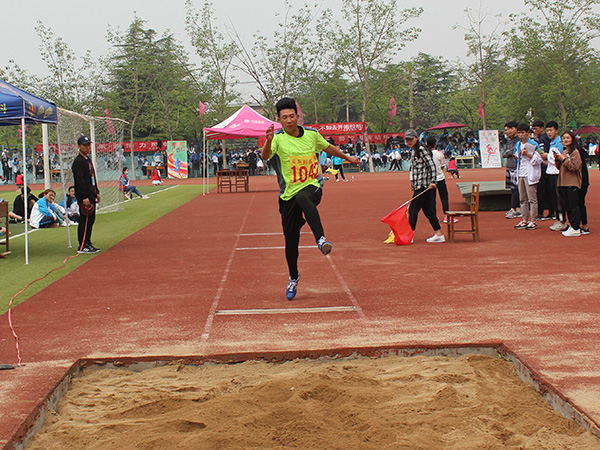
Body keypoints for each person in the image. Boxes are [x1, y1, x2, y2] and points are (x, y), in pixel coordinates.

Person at [262, 97, 359, 300]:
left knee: (303, 196)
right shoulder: (277, 139)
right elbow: (265, 156)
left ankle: (321, 239)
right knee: (291, 241)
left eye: (292, 116)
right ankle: (293, 277)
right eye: (284, 117)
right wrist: (269, 141)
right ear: (279, 120)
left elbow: (328, 148)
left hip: (312, 186)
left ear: (297, 116)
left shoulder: (312, 135)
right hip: (287, 195)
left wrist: (348, 158)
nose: (289, 120)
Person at [405, 129, 445, 243]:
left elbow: (431, 166)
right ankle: (438, 234)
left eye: (411, 139)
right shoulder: (414, 151)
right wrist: (413, 183)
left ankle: (410, 235)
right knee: (429, 210)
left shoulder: (421, 149)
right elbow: (415, 169)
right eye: (407, 140)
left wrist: (433, 181)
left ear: (416, 138)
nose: (409, 141)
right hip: (420, 185)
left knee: (413, 209)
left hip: (425, 185)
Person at [71, 135, 101, 254]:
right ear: (79, 146)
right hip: (85, 196)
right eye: (85, 145)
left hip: (91, 193)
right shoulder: (78, 162)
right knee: (85, 219)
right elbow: (80, 181)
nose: (87, 147)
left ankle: (88, 242)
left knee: (91, 219)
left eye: (88, 145)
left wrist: (96, 191)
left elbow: (92, 177)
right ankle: (82, 245)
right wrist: (84, 197)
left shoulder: (87, 159)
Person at [513, 123, 542, 230]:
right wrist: (517, 156)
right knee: (522, 198)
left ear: (528, 133)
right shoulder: (517, 144)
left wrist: (528, 154)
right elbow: (516, 155)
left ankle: (533, 220)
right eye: (519, 133)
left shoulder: (534, 144)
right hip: (520, 172)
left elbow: (540, 158)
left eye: (522, 133)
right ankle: (524, 219)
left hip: (530, 173)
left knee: (532, 198)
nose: (520, 135)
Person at [555, 131, 583, 237]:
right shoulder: (564, 151)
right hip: (563, 182)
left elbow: (574, 167)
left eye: (568, 138)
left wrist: (564, 159)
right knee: (567, 206)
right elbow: (560, 167)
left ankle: (576, 227)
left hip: (572, 182)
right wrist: (557, 160)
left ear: (572, 139)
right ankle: (572, 225)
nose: (565, 140)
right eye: (563, 138)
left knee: (573, 205)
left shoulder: (575, 152)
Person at [428, 136, 455, 224]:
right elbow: (443, 166)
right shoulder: (439, 153)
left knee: (432, 199)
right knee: (444, 197)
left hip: (430, 180)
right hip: (440, 178)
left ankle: (434, 217)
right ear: (435, 144)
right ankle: (447, 216)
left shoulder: (426, 154)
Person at [545, 122, 564, 228]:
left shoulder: (559, 143)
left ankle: (562, 220)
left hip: (558, 173)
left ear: (556, 130)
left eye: (551, 130)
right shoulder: (552, 142)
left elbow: (558, 158)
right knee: (553, 197)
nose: (549, 133)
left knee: (558, 197)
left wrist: (547, 156)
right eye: (547, 131)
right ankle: (558, 219)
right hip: (551, 173)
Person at [502, 121, 521, 219]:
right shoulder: (509, 141)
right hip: (510, 166)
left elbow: (512, 152)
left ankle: (516, 209)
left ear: (514, 129)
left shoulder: (518, 140)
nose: (507, 132)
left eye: (508, 129)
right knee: (512, 189)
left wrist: (508, 153)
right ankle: (514, 208)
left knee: (516, 188)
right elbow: (504, 153)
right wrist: (508, 153)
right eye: (505, 130)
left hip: (516, 167)